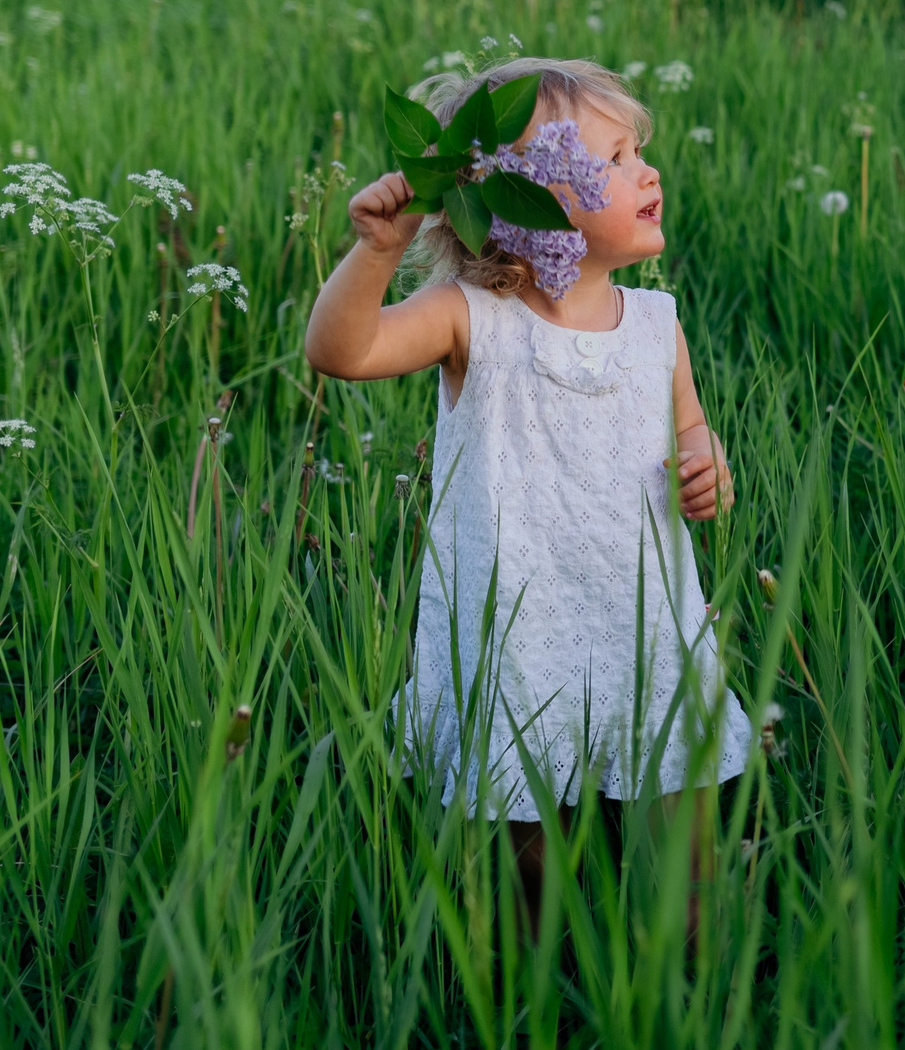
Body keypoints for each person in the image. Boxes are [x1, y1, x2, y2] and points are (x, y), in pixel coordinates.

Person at [303, 56, 748, 911]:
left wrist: (706, 464)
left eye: (637, 151)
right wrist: (376, 251)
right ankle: (527, 981)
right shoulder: (474, 320)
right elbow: (341, 354)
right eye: (611, 161)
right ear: (522, 201)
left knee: (680, 831)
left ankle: (685, 975)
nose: (645, 171)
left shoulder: (656, 323)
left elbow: (690, 424)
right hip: (520, 630)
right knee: (526, 855)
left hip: (644, 612)